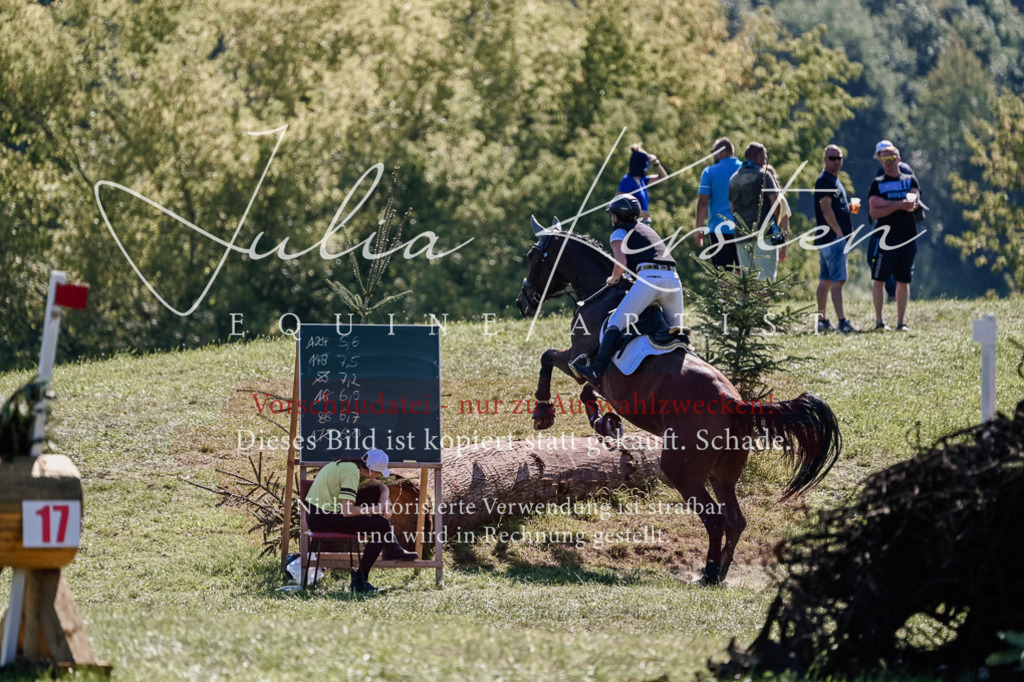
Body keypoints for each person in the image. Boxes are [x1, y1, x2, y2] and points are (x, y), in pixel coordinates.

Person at [571, 194, 683, 382]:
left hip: (650, 280)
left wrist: (614, 279)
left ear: (616, 216)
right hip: (673, 279)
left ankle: (596, 370)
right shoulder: (647, 230)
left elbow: (620, 263)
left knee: (615, 322)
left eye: (612, 215)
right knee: (678, 332)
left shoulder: (618, 232)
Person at [304, 448, 418, 593]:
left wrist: (383, 500)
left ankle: (390, 548)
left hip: (328, 511)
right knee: (380, 526)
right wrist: (378, 509)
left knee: (375, 495)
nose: (377, 476)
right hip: (321, 518)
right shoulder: (351, 472)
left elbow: (381, 487)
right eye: (377, 472)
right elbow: (348, 511)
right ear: (371, 470)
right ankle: (361, 579)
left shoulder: (355, 466)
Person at [868, 142, 922, 331]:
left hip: (907, 238)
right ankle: (879, 321)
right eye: (884, 159)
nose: (888, 162)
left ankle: (901, 322)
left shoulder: (910, 180)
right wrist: (899, 204)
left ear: (898, 159)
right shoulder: (877, 183)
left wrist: (888, 204)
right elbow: (873, 210)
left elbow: (913, 202)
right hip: (885, 239)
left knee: (903, 280)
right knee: (879, 279)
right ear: (880, 161)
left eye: (891, 158)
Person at [813, 145, 856, 333]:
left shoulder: (834, 181)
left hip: (828, 239)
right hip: (832, 239)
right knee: (838, 280)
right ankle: (842, 322)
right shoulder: (824, 181)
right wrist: (839, 232)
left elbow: (835, 206)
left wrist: (847, 208)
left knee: (826, 280)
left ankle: (822, 321)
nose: (836, 161)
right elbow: (825, 208)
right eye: (832, 158)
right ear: (825, 159)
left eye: (839, 158)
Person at [728, 142, 782, 273]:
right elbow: (775, 201)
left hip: (741, 235)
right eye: (763, 157)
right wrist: (775, 223)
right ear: (756, 157)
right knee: (766, 279)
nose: (764, 161)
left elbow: (732, 208)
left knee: (747, 280)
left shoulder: (734, 178)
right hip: (763, 234)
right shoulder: (764, 174)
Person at [695, 137, 744, 268]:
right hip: (743, 228)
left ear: (721, 152)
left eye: (714, 151)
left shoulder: (709, 172)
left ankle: (726, 289)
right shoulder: (745, 170)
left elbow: (702, 203)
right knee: (743, 271)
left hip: (718, 230)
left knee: (722, 273)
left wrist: (699, 229)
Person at [736, 163, 789, 281]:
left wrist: (784, 248)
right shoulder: (759, 199)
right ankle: (758, 299)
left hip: (759, 239)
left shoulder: (779, 199)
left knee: (756, 277)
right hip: (759, 239)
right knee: (761, 277)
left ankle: (754, 299)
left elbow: (786, 226)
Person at [617, 143, 667, 223]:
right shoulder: (628, 180)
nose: (648, 168)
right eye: (646, 165)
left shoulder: (642, 180)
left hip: (644, 223)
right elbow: (617, 202)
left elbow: (663, 178)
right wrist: (639, 213)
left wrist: (656, 162)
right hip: (633, 224)